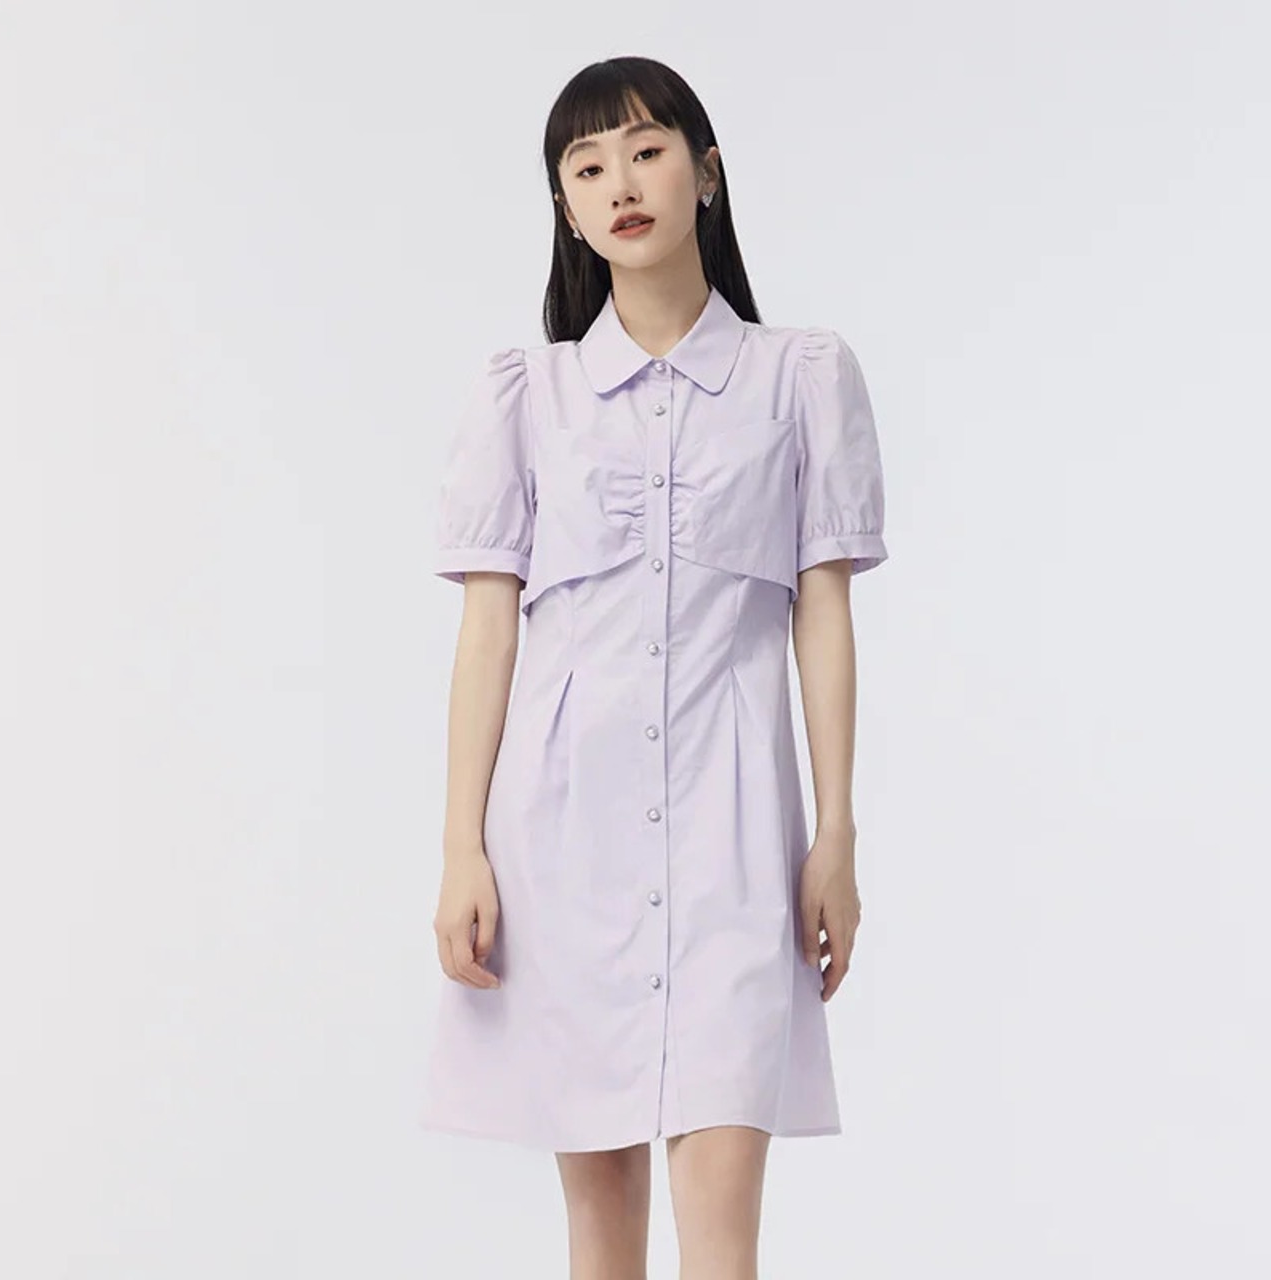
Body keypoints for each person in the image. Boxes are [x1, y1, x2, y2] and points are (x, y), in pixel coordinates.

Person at [421, 55, 889, 1279]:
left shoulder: (798, 377)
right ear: (565, 208)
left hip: (735, 835)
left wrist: (834, 831)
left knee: (721, 1219)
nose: (619, 184)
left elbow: (821, 614)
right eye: (586, 168)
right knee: (600, 1228)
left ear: (705, 171)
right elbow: (488, 632)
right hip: (562, 833)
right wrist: (462, 846)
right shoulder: (528, 395)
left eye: (644, 151)